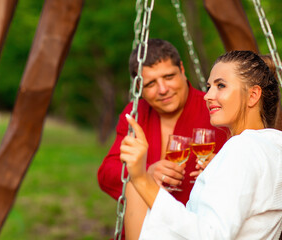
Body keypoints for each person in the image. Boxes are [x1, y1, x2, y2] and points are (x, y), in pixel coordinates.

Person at [120, 50, 282, 239]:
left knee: (135, 188)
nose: (207, 95)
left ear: (253, 95)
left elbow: (212, 235)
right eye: (209, 87)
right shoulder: (274, 148)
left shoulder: (242, 149)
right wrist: (220, 170)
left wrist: (141, 178)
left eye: (220, 86)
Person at [97, 39, 228, 238]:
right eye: (150, 83)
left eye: (169, 76)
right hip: (143, 228)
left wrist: (217, 170)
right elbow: (107, 173)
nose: (163, 89)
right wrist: (144, 173)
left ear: (182, 70)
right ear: (139, 86)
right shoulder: (136, 113)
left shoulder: (216, 111)